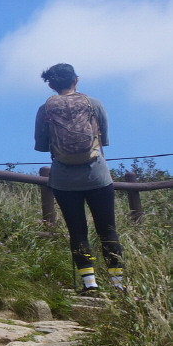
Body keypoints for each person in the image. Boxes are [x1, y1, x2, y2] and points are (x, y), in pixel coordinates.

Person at [34, 63, 124, 295]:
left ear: (51, 85)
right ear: (76, 80)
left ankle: (89, 283)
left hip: (64, 180)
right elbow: (104, 140)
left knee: (77, 232)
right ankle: (118, 284)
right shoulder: (93, 104)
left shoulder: (45, 109)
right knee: (108, 230)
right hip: (97, 176)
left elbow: (41, 145)